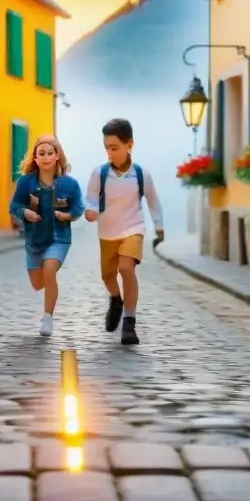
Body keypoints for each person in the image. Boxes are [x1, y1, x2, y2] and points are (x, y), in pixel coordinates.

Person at [83, 118, 164, 345]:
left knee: (126, 268)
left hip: (133, 228)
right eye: (107, 147)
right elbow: (90, 200)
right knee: (107, 275)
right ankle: (116, 299)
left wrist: (158, 226)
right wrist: (90, 212)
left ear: (130, 145)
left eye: (114, 148)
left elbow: (153, 201)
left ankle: (129, 322)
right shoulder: (99, 174)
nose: (110, 153)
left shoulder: (141, 175)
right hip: (108, 232)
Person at [9, 134, 84, 337]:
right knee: (37, 283)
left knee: (49, 272)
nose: (46, 157)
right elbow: (14, 206)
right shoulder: (26, 182)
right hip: (34, 240)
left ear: (57, 156)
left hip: (59, 237)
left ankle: (47, 318)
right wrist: (25, 213)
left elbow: (79, 208)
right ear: (35, 158)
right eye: (41, 153)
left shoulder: (70, 185)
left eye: (50, 153)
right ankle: (46, 289)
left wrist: (67, 215)